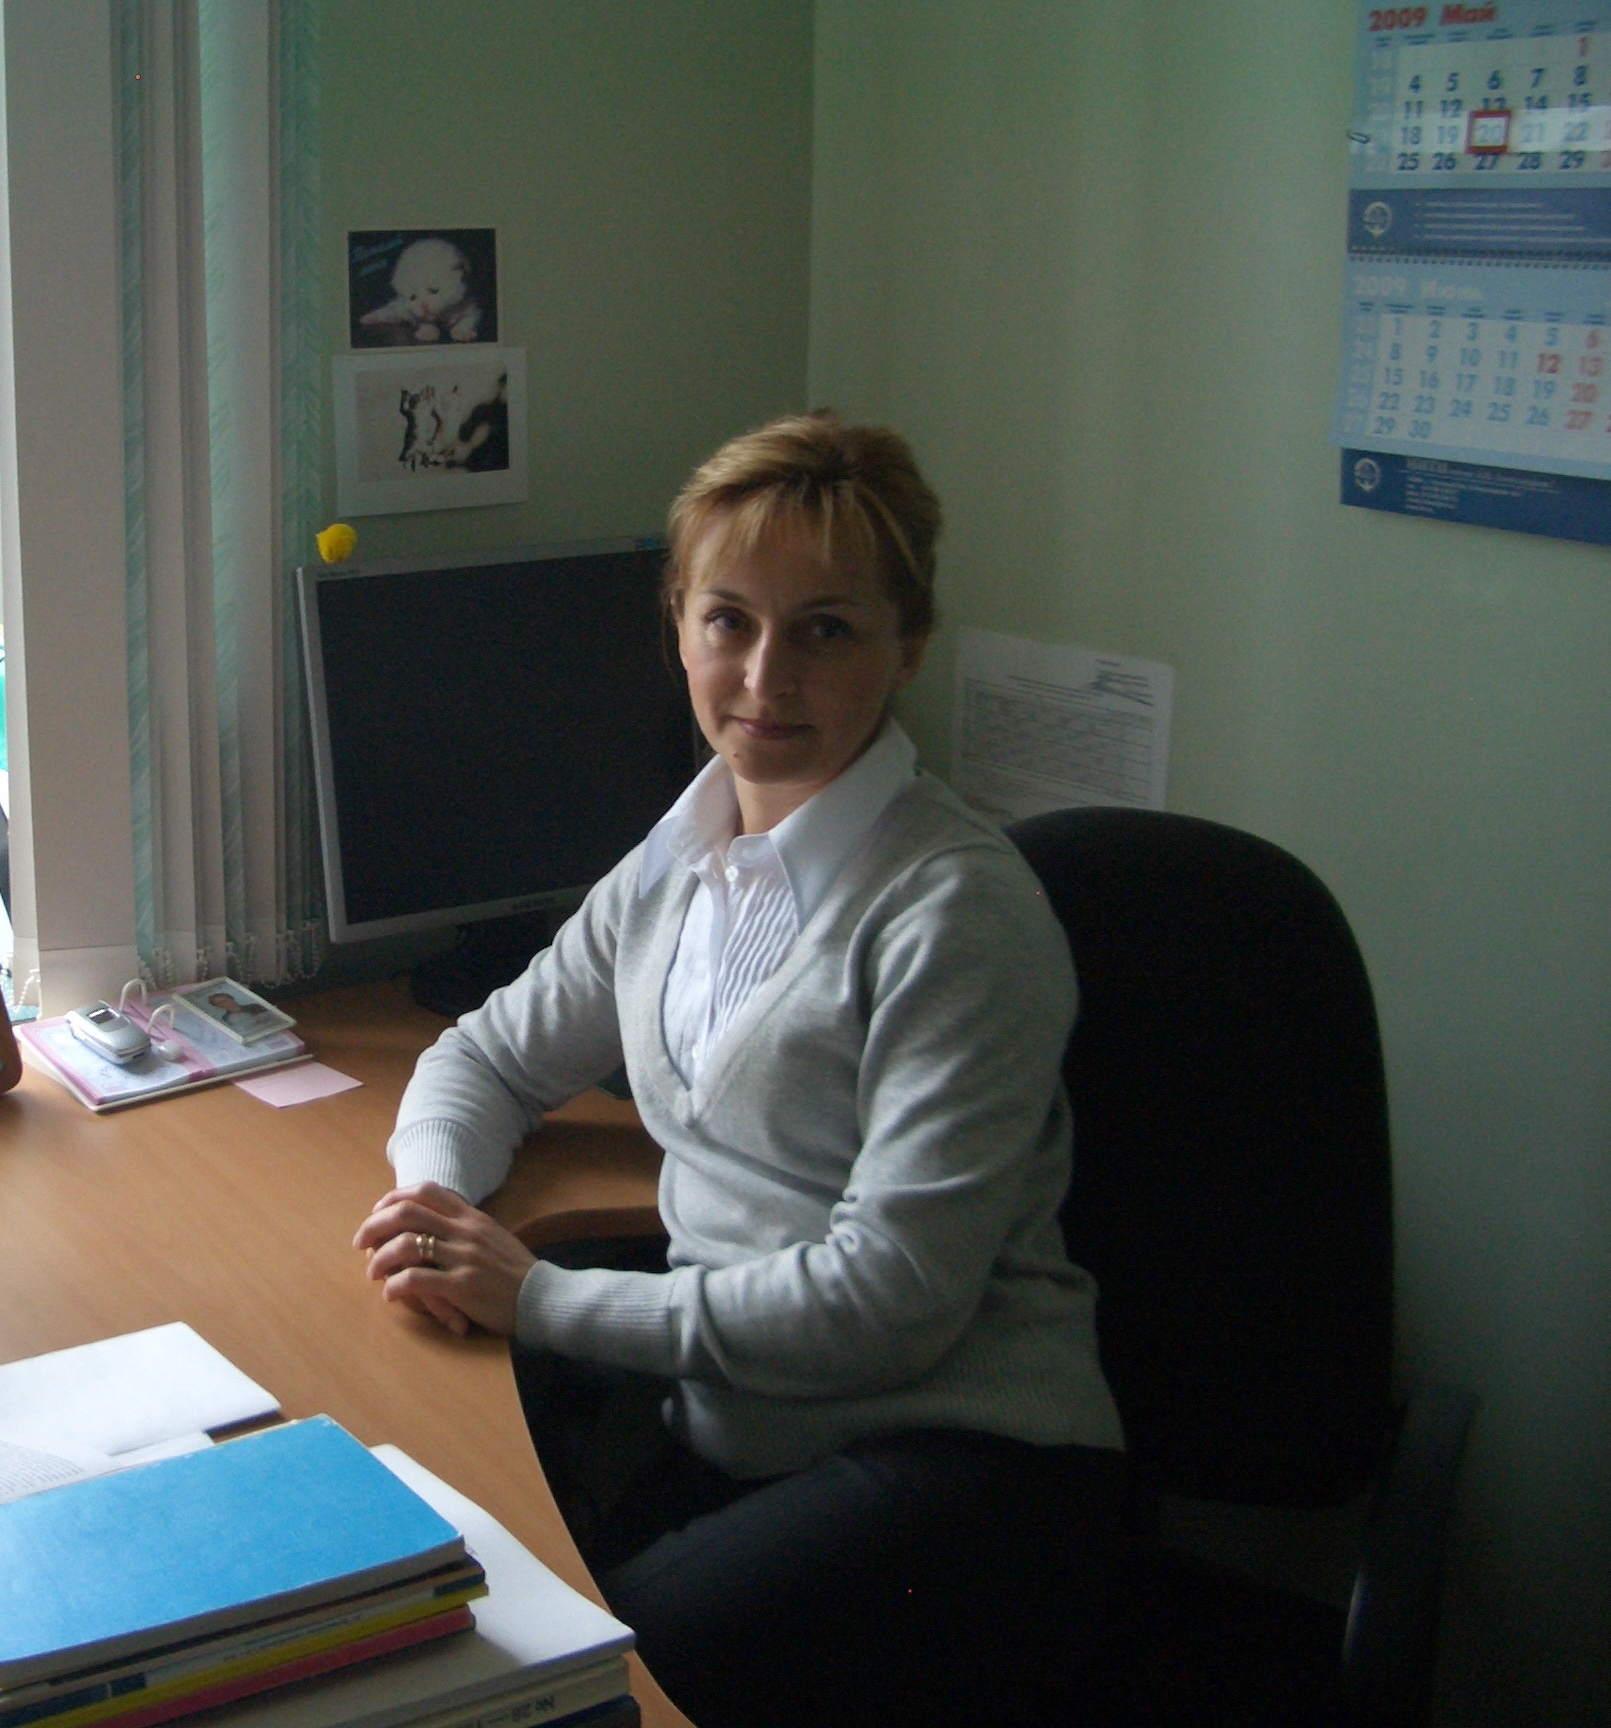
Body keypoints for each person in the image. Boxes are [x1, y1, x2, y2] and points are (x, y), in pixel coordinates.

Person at [352, 412, 1126, 1727]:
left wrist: (538, 1298)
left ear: (907, 647)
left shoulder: (955, 911)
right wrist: (434, 1207)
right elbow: (487, 1056)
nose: (767, 676)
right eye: (730, 620)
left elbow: (891, 1299)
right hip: (742, 1436)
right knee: (442, 1617)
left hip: (965, 1466)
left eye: (826, 629)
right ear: (679, 626)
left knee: (558, 1693)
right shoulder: (683, 857)